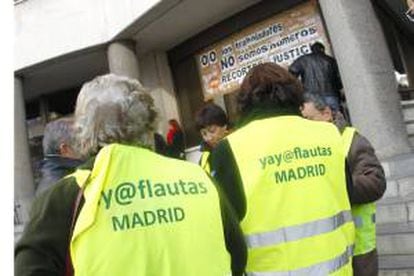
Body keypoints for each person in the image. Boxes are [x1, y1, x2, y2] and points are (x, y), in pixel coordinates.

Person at [15, 74, 247, 276]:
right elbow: (237, 257)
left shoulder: (66, 195)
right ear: (149, 121)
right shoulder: (198, 177)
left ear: (84, 130)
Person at [209, 62, 355, 275]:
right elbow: (348, 194)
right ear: (295, 94)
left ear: (246, 101)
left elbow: (226, 231)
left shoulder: (229, 149)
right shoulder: (329, 134)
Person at [301, 92, 386, 276]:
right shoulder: (305, 148)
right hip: (326, 250)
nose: (306, 126)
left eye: (309, 119)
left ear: (327, 114)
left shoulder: (352, 140)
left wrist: (336, 186)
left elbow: (375, 182)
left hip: (358, 250)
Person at [289, 41, 343, 111]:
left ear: (312, 50)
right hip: (331, 94)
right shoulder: (331, 60)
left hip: (311, 96)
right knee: (336, 117)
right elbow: (339, 78)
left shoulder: (303, 60)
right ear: (323, 50)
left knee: (317, 119)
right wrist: (338, 88)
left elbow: (292, 72)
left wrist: (299, 87)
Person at [36, 117, 83, 196]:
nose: (86, 148)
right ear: (65, 149)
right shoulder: (64, 186)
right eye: (80, 144)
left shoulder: (52, 181)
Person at [195, 103, 230, 172]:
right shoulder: (204, 159)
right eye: (204, 133)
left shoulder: (240, 146)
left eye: (212, 131)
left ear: (225, 126)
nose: (209, 138)